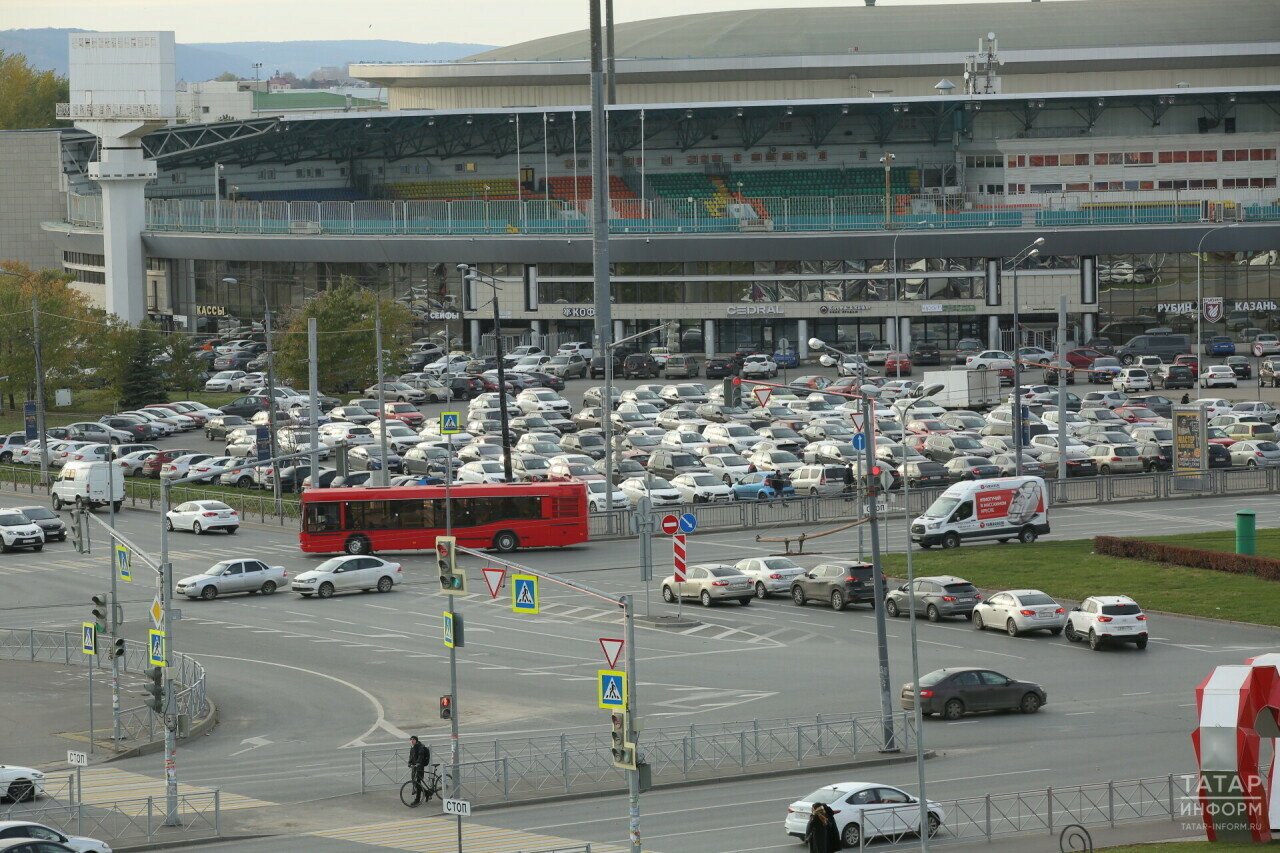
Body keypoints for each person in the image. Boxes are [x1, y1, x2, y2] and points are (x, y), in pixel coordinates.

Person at [407, 735, 430, 804]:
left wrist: (418, 763)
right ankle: (427, 793)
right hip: (414, 768)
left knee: (418, 783)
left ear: (416, 740)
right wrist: (409, 763)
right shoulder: (412, 748)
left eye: (413, 739)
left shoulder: (420, 747)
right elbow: (411, 757)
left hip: (419, 767)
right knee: (415, 783)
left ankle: (417, 800)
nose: (412, 741)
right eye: (411, 739)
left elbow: (420, 756)